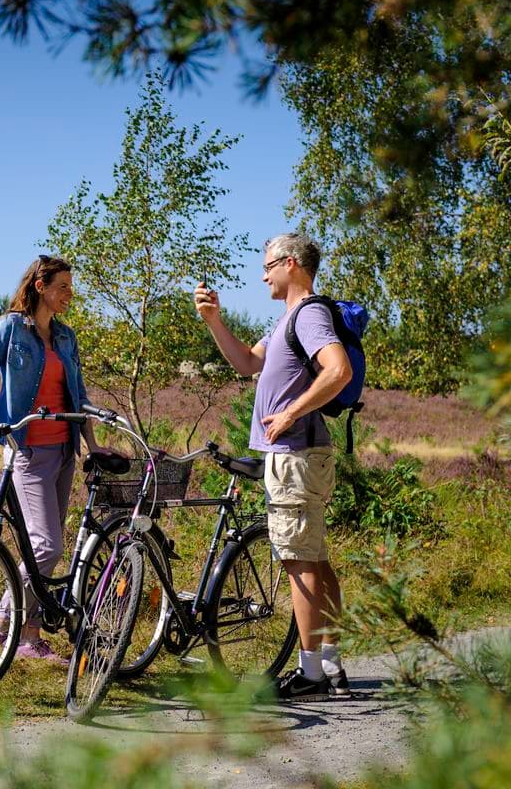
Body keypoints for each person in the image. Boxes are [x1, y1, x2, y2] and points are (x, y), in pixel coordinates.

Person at [194, 233, 352, 701]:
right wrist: (213, 320)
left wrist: (290, 412)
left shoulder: (309, 315)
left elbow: (337, 369)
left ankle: (311, 675)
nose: (262, 275)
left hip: (296, 457)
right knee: (315, 559)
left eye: (268, 266)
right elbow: (246, 363)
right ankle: (330, 664)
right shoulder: (287, 321)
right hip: (300, 457)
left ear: (290, 263)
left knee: (299, 561)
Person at [0, 255, 112, 664]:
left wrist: (92, 446)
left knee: (41, 547)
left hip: (63, 450)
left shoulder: (65, 337)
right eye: (63, 286)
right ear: (40, 286)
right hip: (27, 451)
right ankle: (3, 616)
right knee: (47, 546)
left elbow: (78, 397)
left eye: (71, 287)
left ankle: (31, 638)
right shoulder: (11, 327)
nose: (69, 295)